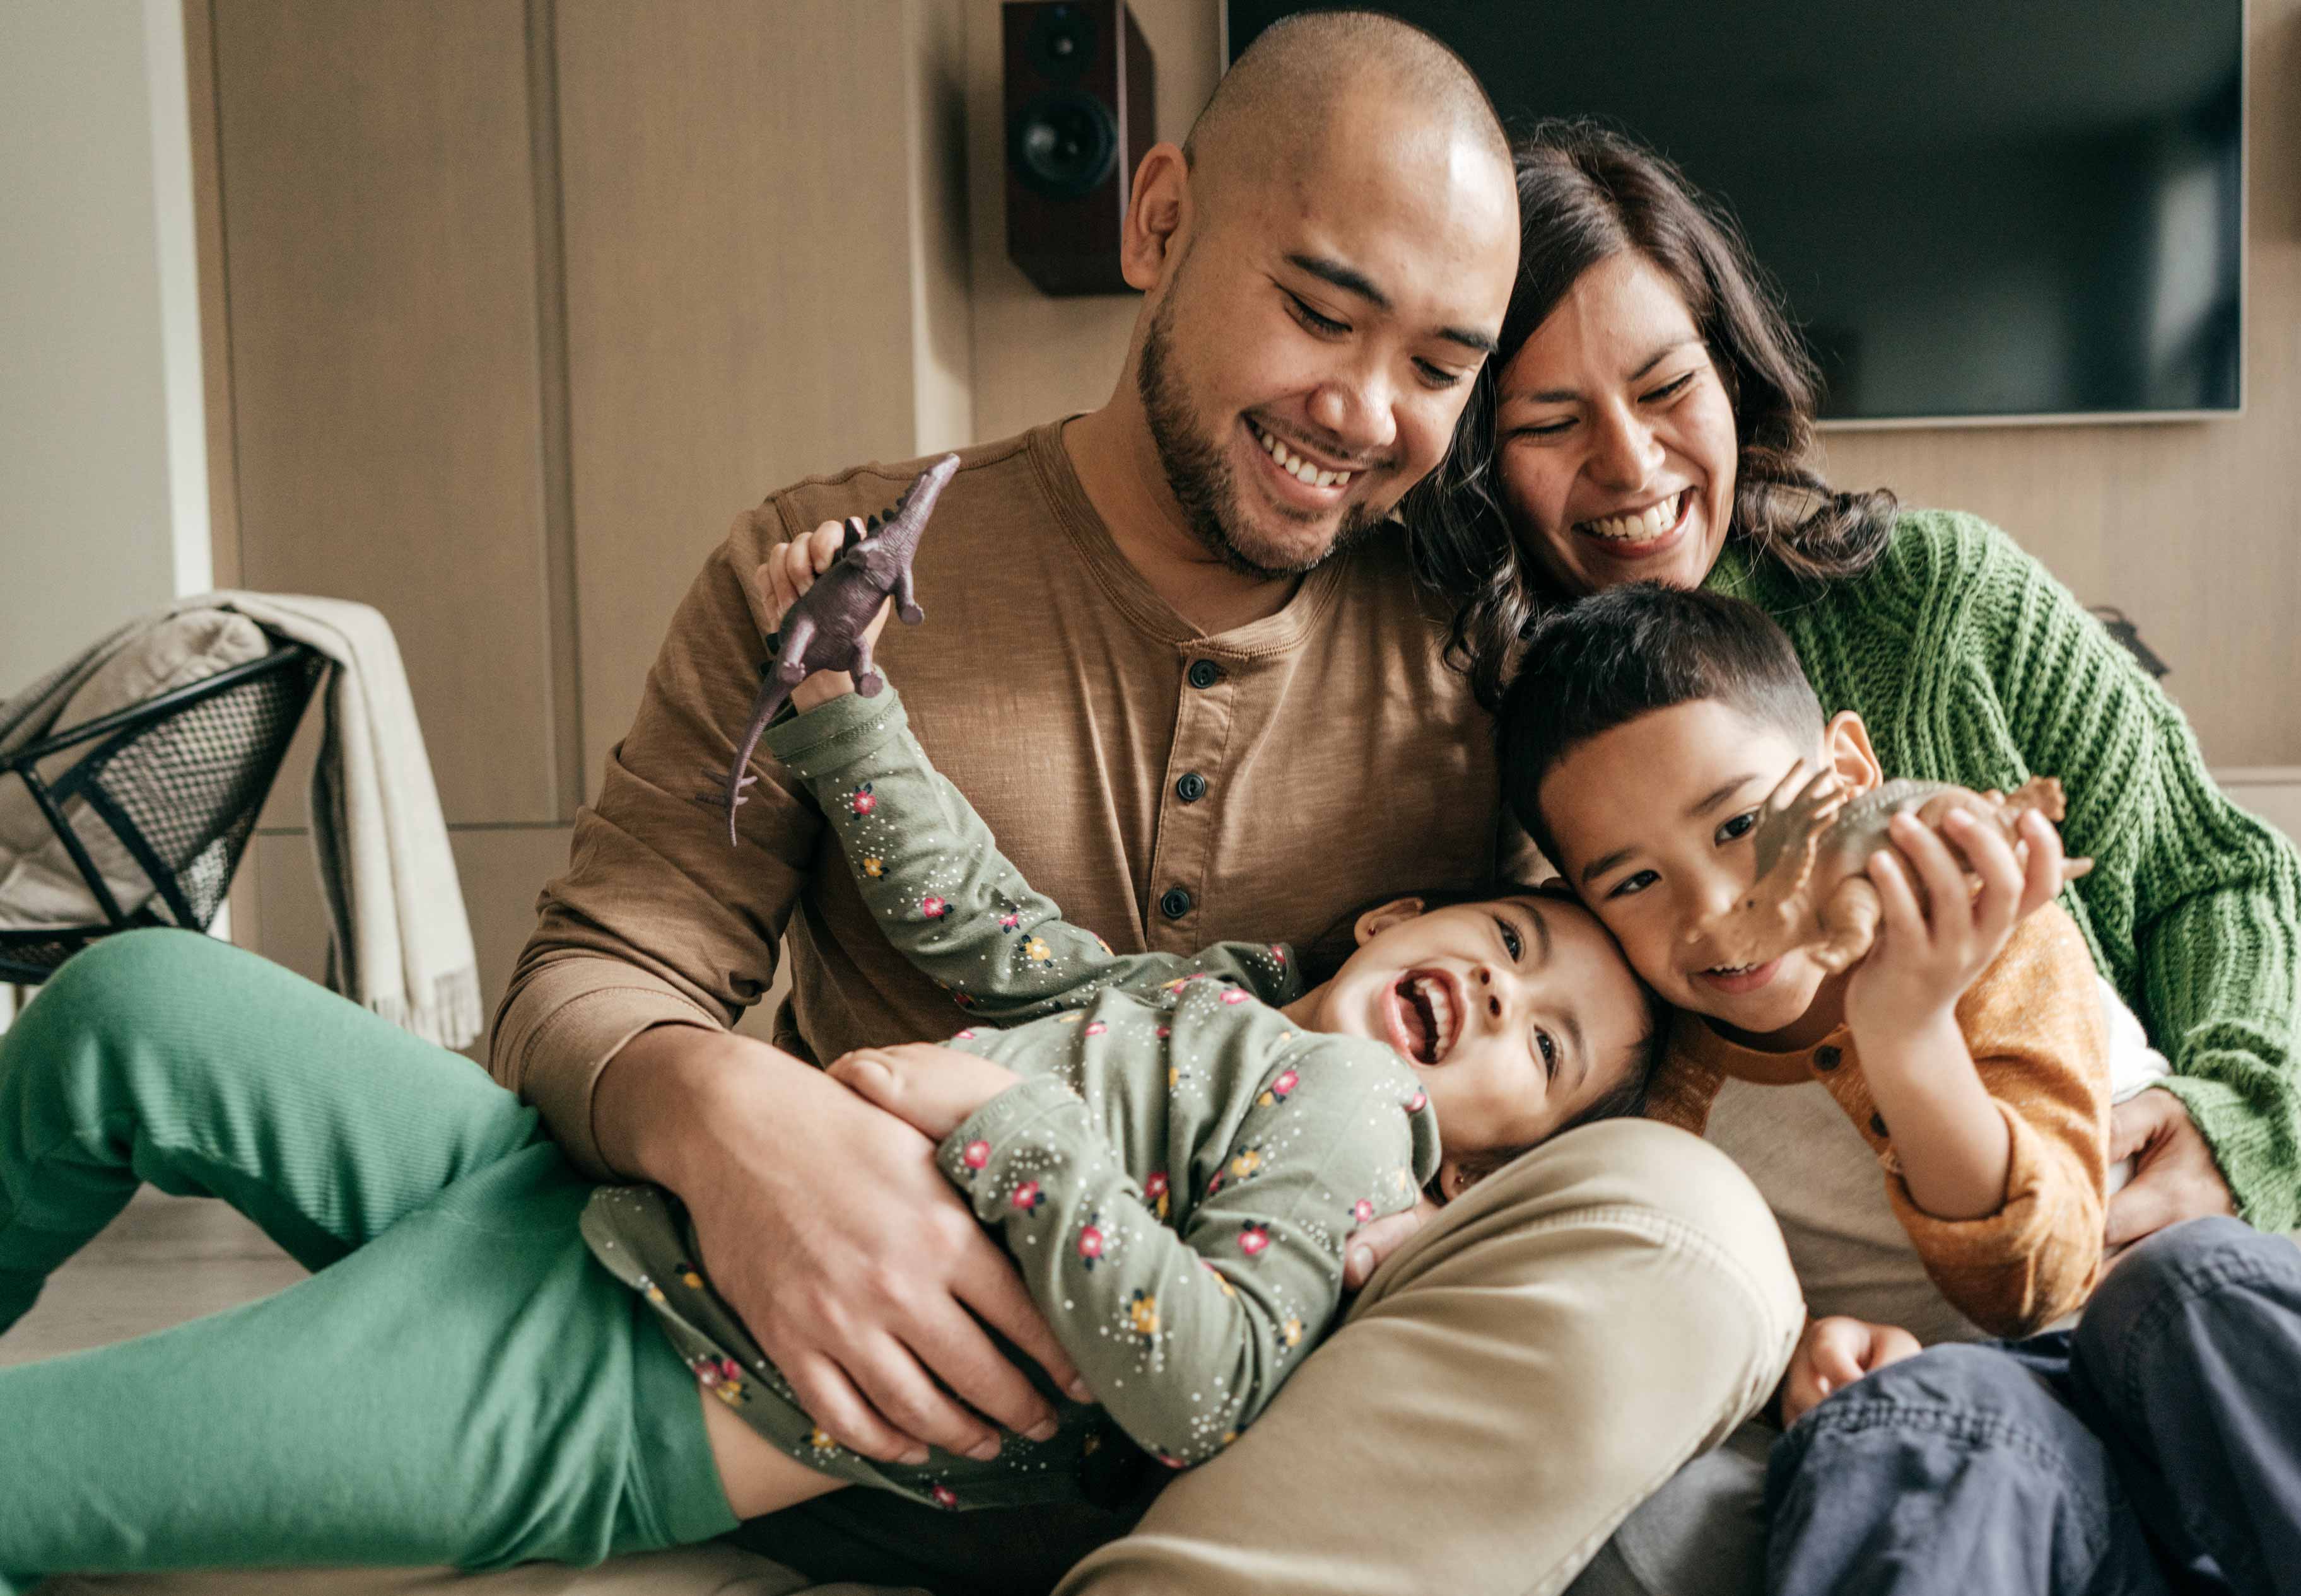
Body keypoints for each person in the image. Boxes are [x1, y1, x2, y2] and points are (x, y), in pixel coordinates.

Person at [30, 24, 1796, 1596]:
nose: (1364, 410)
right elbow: (599, 968)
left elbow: (1633, 1020)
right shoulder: (838, 566)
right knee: (125, 1002)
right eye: (1322, 313)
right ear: (1159, 217)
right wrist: (727, 1118)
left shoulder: (1478, 679)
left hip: (830, 1419)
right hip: (693, 1214)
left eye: (1439, 367)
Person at [1402, 119, 2301, 1596]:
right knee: (1694, 1509)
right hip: (1891, 1384)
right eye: (1550, 419)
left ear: (1732, 373)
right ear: (1471, 453)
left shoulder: (1936, 600)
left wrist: (2236, 1118)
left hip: (2166, 1299)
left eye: (1664, 386)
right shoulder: (1458, 724)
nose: (1629, 462)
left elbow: (2225, 876)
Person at [0, 623, 1663, 1577]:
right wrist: (841, 716)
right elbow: (959, 909)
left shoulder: (1358, 1126)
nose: (1507, 998)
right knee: (131, 1001)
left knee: (42, 1463)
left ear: (1508, 1150)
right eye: (1510, 940)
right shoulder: (1187, 996)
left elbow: (1199, 1387)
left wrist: (997, 1125)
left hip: (655, 1363)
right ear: (1400, 916)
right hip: (582, 1184)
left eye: (1548, 1051)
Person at [1494, 583, 2301, 1596]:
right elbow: (1677, 1298)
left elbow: (2037, 1276)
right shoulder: (1666, 1093)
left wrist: (1906, 1031)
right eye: (1633, 882)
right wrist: (1796, 1361)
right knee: (1900, 1426)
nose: (1715, 908)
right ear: (1575, 899)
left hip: (2159, 1361)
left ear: (1849, 771)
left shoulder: (1993, 935)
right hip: (1981, 1429)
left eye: (1741, 826)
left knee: (2202, 1283)